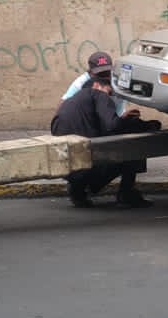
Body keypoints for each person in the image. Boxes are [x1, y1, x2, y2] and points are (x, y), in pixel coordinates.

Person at [50, 56, 160, 209]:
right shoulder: (99, 93)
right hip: (86, 158)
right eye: (109, 91)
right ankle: (126, 194)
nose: (110, 95)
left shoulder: (77, 98)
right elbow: (111, 126)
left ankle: (79, 189)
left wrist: (121, 119)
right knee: (134, 147)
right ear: (97, 84)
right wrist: (131, 122)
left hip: (67, 161)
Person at [63, 51, 137, 120]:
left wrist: (123, 117)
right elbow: (63, 106)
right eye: (100, 73)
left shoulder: (117, 80)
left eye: (107, 72)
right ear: (90, 72)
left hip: (112, 120)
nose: (104, 76)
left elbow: (117, 114)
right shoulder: (81, 82)